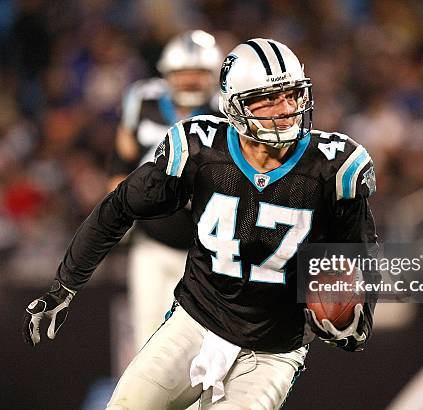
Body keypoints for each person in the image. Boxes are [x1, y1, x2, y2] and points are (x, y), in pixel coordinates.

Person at [23, 38, 379, 409]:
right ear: (235, 106)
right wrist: (64, 286)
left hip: (274, 349)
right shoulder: (200, 151)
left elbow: (364, 253)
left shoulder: (334, 168)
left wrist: (357, 321)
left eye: (292, 94)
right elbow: (118, 207)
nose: (286, 108)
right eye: (269, 97)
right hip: (195, 322)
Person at [108, 30, 223, 349]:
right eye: (181, 73)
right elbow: (120, 160)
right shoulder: (143, 98)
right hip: (152, 241)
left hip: (204, 250)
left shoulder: (225, 112)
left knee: (199, 343)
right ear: (167, 74)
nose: (188, 81)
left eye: (197, 73)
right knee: (147, 334)